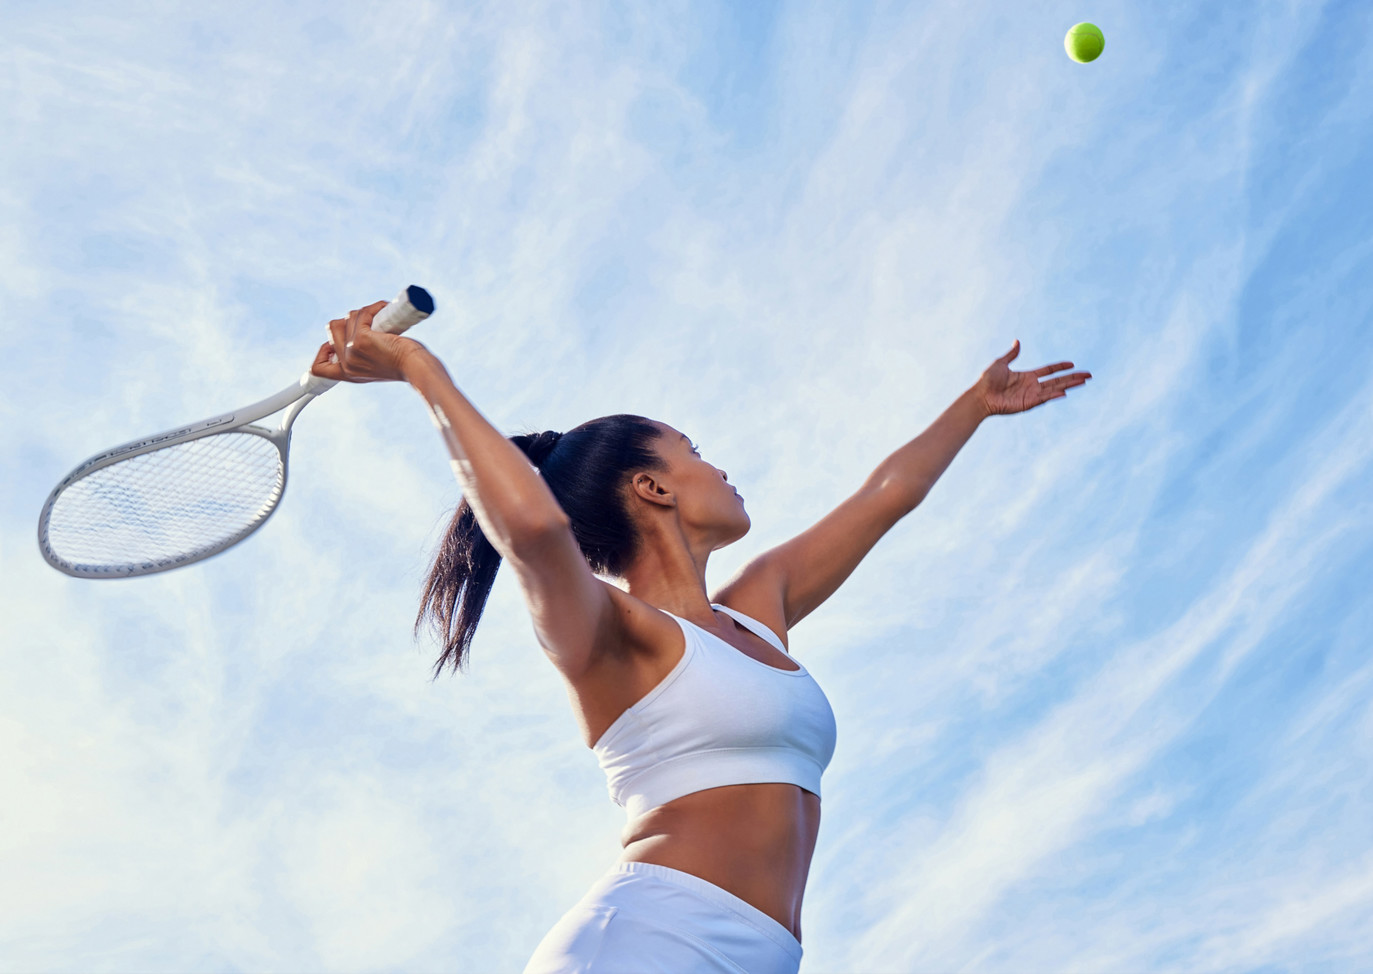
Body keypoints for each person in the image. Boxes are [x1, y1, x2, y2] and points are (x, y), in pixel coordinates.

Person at [311, 304, 1092, 973]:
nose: (718, 466)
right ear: (651, 488)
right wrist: (418, 366)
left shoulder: (757, 610)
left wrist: (972, 406)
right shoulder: (609, 635)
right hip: (652, 939)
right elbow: (532, 526)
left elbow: (887, 497)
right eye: (694, 451)